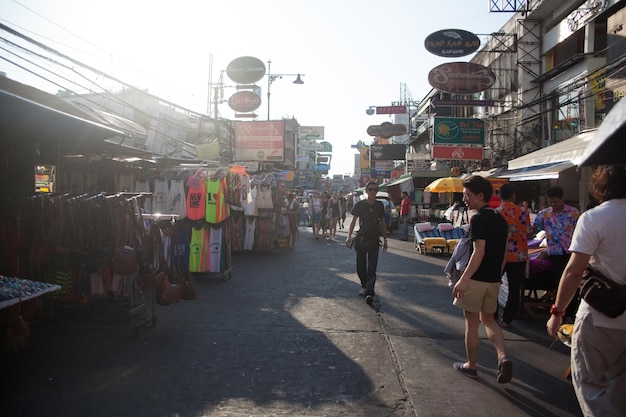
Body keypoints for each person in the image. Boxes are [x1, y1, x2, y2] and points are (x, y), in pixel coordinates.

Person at [546, 165, 626, 416]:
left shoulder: (593, 218)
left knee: (590, 385)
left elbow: (574, 270)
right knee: (620, 391)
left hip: (599, 316)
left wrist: (557, 311)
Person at [452, 175, 512, 383]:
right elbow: (504, 254)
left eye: (467, 195)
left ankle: (471, 365)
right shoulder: (500, 219)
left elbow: (479, 252)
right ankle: (503, 357)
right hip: (494, 280)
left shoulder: (477, 218)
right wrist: (496, 274)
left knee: (471, 323)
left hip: (476, 279)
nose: (465, 199)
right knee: (489, 321)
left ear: (480, 195)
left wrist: (464, 279)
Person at [532, 186, 581, 319]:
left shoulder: (573, 213)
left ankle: (571, 312)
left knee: (573, 281)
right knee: (560, 281)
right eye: (551, 202)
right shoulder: (544, 214)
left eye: (556, 202)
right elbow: (534, 229)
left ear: (562, 200)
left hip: (571, 251)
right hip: (555, 253)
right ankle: (562, 311)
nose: (553, 205)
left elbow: (580, 231)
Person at [346, 181, 388, 305]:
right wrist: (349, 237)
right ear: (366, 191)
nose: (373, 192)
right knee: (360, 267)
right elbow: (353, 221)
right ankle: (364, 285)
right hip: (361, 239)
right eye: (371, 190)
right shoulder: (360, 204)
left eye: (375, 190)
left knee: (372, 268)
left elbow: (382, 223)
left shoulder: (379, 205)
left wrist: (385, 239)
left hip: (374, 239)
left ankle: (370, 292)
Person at [496, 183, 530, 328]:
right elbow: (528, 231)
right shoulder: (522, 212)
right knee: (514, 289)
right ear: (513, 196)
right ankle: (507, 320)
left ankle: (492, 316)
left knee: (494, 286)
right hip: (519, 255)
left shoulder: (496, 212)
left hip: (500, 254)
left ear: (499, 196)